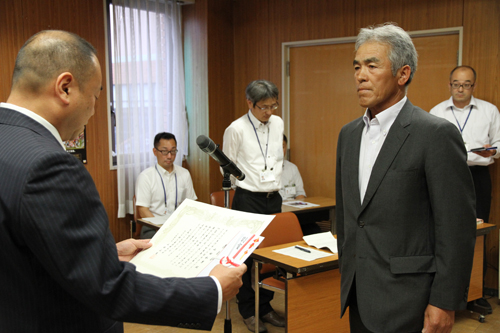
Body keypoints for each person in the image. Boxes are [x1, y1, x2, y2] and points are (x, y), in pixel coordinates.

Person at [0, 30, 245, 333]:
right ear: (65, 88)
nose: (93, 110)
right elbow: (107, 289)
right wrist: (212, 291)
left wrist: (101, 255)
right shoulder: (50, 165)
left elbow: (20, 246)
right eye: (95, 97)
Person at [335, 23, 477, 333]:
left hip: (409, 298)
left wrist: (445, 300)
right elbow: (349, 215)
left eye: (372, 65)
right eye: (357, 66)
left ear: (403, 74)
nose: (360, 75)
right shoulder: (348, 135)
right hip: (358, 291)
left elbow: (456, 228)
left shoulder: (434, 134)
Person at [430, 65, 500, 313]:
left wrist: (488, 150)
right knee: (445, 231)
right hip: (446, 175)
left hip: (478, 175)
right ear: (449, 85)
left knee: (477, 232)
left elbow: (499, 145)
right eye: (456, 84)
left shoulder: (489, 111)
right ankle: (443, 293)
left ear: (474, 86)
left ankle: (475, 293)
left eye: (466, 84)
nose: (461, 89)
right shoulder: (436, 112)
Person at [222, 80, 285, 332]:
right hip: (248, 199)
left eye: (273, 105)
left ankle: (266, 307)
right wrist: (252, 181)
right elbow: (226, 165)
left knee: (272, 255)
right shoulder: (236, 129)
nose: (269, 112)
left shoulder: (278, 123)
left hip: (274, 198)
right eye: (264, 107)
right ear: (250, 103)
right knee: (247, 257)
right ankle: (248, 310)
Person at [135, 132, 197, 238]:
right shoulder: (146, 176)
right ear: (155, 151)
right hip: (153, 226)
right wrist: (164, 228)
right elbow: (143, 210)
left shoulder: (184, 173)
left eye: (173, 151)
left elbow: (191, 204)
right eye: (164, 151)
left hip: (179, 225)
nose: (169, 156)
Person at [280, 134, 306, 201]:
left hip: (291, 208)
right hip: (272, 210)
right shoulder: (261, 169)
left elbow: (300, 194)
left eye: (282, 147)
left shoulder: (292, 168)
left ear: (286, 148)